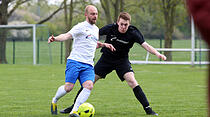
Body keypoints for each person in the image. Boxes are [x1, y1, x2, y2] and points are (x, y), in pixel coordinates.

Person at [60, 12, 166, 116]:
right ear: (117, 22)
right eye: (122, 24)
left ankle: (148, 109)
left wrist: (157, 54)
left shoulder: (133, 32)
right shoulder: (111, 28)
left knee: (132, 81)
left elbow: (146, 45)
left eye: (126, 25)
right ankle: (74, 107)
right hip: (106, 59)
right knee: (89, 83)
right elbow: (92, 34)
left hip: (122, 61)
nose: (124, 27)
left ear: (129, 24)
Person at [48, 5, 115, 117]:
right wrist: (55, 39)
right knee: (68, 88)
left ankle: (74, 111)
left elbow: (92, 44)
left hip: (88, 64)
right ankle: (54, 100)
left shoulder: (96, 30)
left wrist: (104, 45)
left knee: (89, 86)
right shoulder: (80, 27)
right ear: (86, 14)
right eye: (92, 14)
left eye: (96, 14)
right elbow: (67, 35)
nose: (95, 16)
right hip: (75, 61)